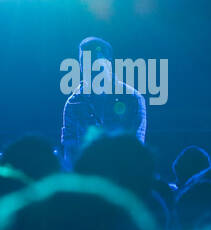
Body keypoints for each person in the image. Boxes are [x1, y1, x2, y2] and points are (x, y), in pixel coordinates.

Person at [60, 36, 147, 169]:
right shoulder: (73, 103)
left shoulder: (132, 98)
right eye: (84, 62)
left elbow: (137, 151)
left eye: (94, 61)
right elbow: (70, 152)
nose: (89, 68)